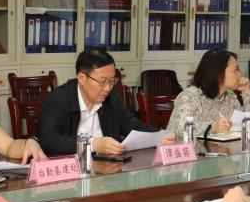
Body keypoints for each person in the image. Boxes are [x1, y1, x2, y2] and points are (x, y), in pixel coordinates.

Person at [38, 48, 171, 155]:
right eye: (102, 81)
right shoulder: (57, 100)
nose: (108, 88)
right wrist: (93, 144)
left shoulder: (112, 97)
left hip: (108, 167)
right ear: (82, 78)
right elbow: (49, 139)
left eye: (112, 81)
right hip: (73, 169)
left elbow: (130, 124)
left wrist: (159, 135)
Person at [167, 49, 250, 136]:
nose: (240, 75)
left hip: (217, 146)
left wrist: (246, 94)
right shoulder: (190, 96)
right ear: (218, 73)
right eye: (235, 70)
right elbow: (180, 128)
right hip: (183, 146)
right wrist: (212, 127)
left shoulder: (230, 96)